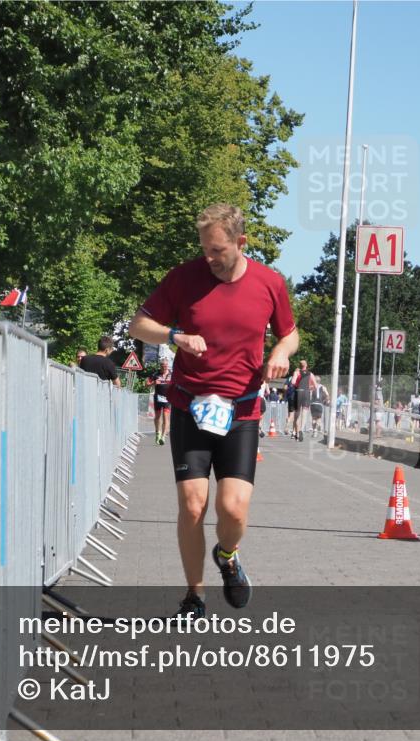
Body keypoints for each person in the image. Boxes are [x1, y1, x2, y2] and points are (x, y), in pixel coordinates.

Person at [128, 203, 298, 619]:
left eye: (217, 250)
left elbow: (290, 335)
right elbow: (138, 324)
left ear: (240, 243)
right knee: (192, 505)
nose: (209, 258)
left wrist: (279, 351)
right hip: (189, 404)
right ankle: (194, 595)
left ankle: (228, 555)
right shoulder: (183, 279)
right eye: (204, 248)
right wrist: (175, 336)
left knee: (234, 508)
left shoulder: (269, 283)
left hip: (241, 409)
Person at [290, 360, 317, 441]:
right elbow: (315, 386)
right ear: (306, 365)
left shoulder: (297, 372)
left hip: (299, 392)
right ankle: (301, 429)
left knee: (297, 413)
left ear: (299, 365)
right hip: (306, 392)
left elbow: (293, 382)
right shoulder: (310, 374)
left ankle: (296, 432)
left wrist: (297, 385)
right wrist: (309, 388)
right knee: (305, 412)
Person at [152, 359, 173, 445]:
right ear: (160, 366)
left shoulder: (172, 374)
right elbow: (146, 384)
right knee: (157, 416)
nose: (164, 367)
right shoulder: (155, 374)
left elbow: (178, 383)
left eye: (166, 366)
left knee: (165, 416)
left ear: (168, 366)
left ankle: (163, 436)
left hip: (168, 398)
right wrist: (154, 382)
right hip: (158, 397)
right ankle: (158, 433)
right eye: (163, 366)